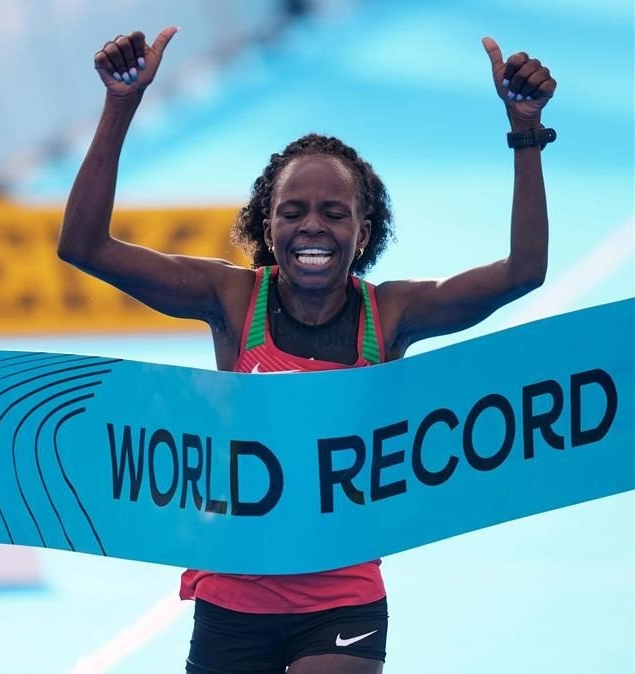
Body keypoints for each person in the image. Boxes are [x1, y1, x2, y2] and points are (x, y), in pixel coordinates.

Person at [57, 26, 555, 674]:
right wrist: (120, 105)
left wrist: (525, 132)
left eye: (333, 213)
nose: (312, 226)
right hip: (232, 595)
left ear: (363, 231)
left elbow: (523, 271)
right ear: (268, 227)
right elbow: (84, 246)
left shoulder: (392, 315)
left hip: (341, 597)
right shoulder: (232, 300)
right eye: (292, 212)